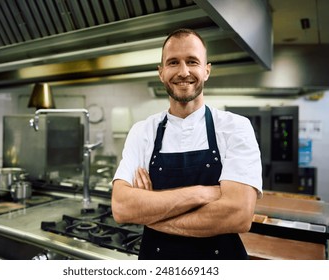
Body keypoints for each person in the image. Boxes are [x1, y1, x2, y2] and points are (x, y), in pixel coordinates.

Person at [111, 28, 262, 260]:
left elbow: (238, 215)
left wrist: (150, 212)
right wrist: (202, 194)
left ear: (206, 70)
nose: (183, 72)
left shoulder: (235, 128)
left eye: (192, 61)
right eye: (173, 62)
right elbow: (122, 207)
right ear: (161, 73)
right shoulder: (142, 131)